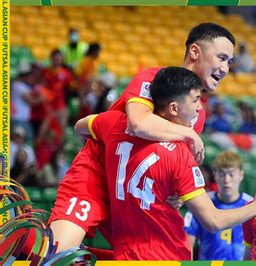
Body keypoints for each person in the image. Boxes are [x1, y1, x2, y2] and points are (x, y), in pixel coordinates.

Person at [48, 22, 236, 253]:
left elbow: (171, 164)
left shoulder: (197, 114)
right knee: (56, 255)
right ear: (195, 51)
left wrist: (176, 194)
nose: (226, 68)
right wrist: (188, 133)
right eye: (221, 57)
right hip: (94, 179)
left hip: (133, 198)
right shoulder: (151, 78)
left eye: (229, 62)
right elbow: (139, 123)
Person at [75, 67, 256, 260]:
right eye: (196, 100)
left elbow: (79, 127)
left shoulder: (115, 123)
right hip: (167, 255)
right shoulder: (179, 154)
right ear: (173, 108)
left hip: (125, 254)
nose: (200, 107)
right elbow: (213, 221)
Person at [184, 151, 252, 260]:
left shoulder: (251, 205)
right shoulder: (201, 203)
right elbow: (187, 244)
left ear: (241, 174)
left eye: (231, 174)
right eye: (222, 174)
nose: (227, 180)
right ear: (215, 175)